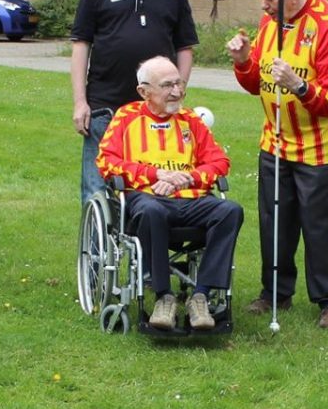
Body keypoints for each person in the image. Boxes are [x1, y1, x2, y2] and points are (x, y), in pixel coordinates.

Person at [226, 0, 328, 328]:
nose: (262, 6)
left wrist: (299, 86)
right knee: (274, 221)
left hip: (320, 146)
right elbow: (256, 85)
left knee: (319, 224)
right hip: (276, 142)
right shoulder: (270, 22)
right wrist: (244, 61)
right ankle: (274, 291)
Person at [95, 56, 242, 332]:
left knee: (230, 210)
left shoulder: (190, 121)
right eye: (167, 85)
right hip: (146, 201)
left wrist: (187, 177)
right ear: (144, 92)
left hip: (191, 199)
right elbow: (106, 162)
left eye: (179, 83)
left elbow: (220, 162)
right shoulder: (127, 118)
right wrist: (156, 175)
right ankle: (164, 296)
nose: (177, 91)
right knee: (153, 211)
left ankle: (201, 295)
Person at [70, 0, 198, 201]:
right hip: (105, 106)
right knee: (96, 190)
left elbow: (185, 47)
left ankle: (146, 245)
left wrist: (177, 91)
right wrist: (80, 102)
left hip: (156, 110)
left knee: (154, 190)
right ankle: (94, 248)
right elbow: (81, 45)